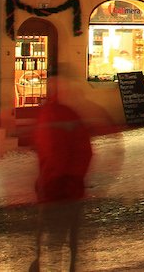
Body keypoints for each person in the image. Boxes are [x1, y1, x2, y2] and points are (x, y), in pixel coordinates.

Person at [27, 79, 94, 272]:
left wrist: (47, 179)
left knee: (48, 234)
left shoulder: (47, 116)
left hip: (53, 186)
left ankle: (43, 262)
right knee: (69, 234)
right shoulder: (70, 115)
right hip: (69, 186)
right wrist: (76, 177)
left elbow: (47, 151)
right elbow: (84, 150)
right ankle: (69, 265)